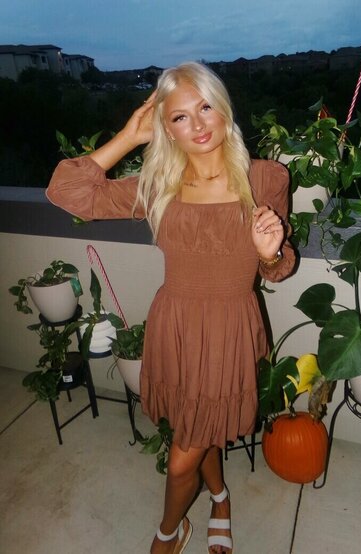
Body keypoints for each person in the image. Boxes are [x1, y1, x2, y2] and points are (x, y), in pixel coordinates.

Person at [47, 61, 296, 554]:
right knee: (194, 426)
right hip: (177, 326)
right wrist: (128, 137)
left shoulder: (265, 178)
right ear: (166, 127)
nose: (198, 125)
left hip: (228, 331)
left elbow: (280, 265)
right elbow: (67, 193)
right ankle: (220, 499)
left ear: (223, 109)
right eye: (180, 116)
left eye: (205, 107)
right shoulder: (159, 183)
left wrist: (269, 254)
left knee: (183, 455)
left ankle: (168, 534)